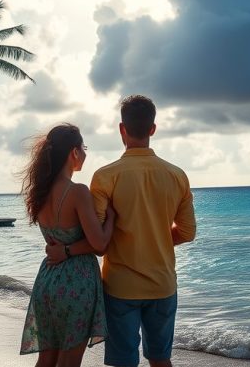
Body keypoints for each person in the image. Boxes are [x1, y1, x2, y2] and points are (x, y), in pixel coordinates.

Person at [46, 95, 196, 367]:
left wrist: (66, 249)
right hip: (162, 284)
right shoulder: (177, 175)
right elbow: (186, 232)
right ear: (152, 129)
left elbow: (96, 237)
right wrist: (157, 240)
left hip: (120, 287)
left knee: (123, 362)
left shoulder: (106, 176)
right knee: (161, 360)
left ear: (121, 129)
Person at [20, 124, 116, 367]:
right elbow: (100, 244)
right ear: (74, 152)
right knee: (69, 361)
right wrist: (112, 217)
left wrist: (62, 250)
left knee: (47, 358)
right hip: (76, 282)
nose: (85, 153)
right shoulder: (77, 192)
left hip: (47, 280)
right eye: (83, 148)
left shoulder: (39, 193)